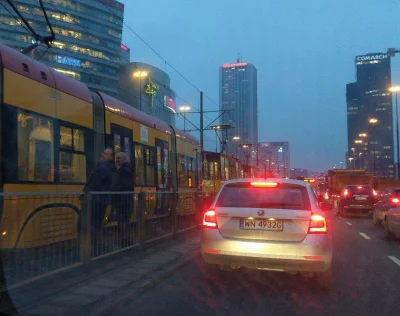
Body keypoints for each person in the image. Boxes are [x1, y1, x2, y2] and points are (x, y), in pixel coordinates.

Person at [82, 147, 117, 239]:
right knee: (97, 222)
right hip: (101, 199)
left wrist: (87, 191)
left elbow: (95, 183)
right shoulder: (109, 167)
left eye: (105, 153)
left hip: (96, 199)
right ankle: (96, 244)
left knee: (93, 222)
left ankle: (93, 245)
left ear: (110, 156)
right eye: (103, 152)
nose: (102, 154)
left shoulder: (103, 167)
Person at [112, 152, 134, 246]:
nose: (117, 160)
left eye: (119, 158)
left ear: (124, 159)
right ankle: (126, 242)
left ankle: (125, 243)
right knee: (124, 222)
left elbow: (125, 185)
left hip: (123, 201)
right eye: (116, 158)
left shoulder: (124, 170)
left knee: (123, 222)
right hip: (125, 201)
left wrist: (114, 190)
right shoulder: (126, 169)